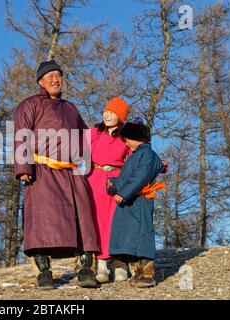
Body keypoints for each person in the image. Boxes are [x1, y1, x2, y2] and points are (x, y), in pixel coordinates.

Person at [13, 60, 99, 289]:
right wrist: (23, 168)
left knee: (83, 219)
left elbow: (84, 137)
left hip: (72, 172)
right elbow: (21, 135)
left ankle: (85, 269)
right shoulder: (29, 105)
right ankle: (44, 273)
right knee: (42, 221)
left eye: (58, 75)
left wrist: (88, 163)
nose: (55, 79)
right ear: (40, 80)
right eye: (49, 75)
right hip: (42, 171)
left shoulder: (71, 108)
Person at [106, 117, 166, 288]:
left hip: (139, 200)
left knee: (141, 234)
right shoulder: (135, 156)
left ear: (137, 138)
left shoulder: (148, 155)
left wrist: (123, 193)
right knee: (127, 235)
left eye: (127, 140)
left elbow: (141, 176)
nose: (126, 144)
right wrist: (113, 186)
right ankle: (134, 270)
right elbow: (126, 177)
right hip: (129, 201)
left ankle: (147, 274)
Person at [86, 97, 132, 283]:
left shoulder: (126, 137)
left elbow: (140, 153)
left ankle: (120, 262)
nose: (107, 114)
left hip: (117, 180)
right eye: (106, 111)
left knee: (116, 221)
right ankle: (101, 263)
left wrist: (157, 163)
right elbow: (72, 145)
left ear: (120, 117)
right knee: (97, 220)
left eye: (112, 112)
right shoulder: (94, 133)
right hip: (95, 178)